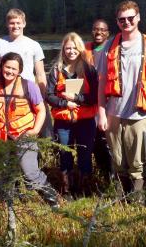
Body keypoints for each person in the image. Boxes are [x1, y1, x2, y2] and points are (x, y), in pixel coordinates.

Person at [98, 0, 146, 198]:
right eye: (121, 19)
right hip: (113, 112)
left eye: (130, 18)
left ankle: (137, 196)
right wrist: (101, 113)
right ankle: (120, 193)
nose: (126, 22)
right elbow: (102, 82)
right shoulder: (109, 45)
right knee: (118, 159)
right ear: (117, 22)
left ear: (138, 17)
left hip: (141, 112)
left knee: (138, 160)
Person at [0, 52, 59, 208]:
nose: (10, 71)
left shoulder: (29, 86)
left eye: (14, 69)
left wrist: (35, 130)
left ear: (19, 70)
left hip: (24, 135)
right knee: (5, 172)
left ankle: (53, 201)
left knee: (30, 172)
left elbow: (41, 110)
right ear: (1, 67)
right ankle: (9, 204)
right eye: (7, 67)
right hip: (2, 138)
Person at [46, 32, 98, 199]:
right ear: (63, 49)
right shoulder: (56, 70)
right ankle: (67, 190)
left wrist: (76, 98)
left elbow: (95, 98)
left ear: (80, 49)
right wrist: (65, 103)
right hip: (63, 122)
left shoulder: (89, 69)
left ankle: (84, 189)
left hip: (85, 121)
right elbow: (49, 96)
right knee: (64, 154)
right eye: (68, 48)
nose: (71, 51)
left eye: (74, 48)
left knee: (85, 154)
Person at [0, 8, 52, 137]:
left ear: (24, 23)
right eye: (12, 23)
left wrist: (42, 97)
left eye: (18, 23)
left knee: (40, 134)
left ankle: (38, 155)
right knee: (1, 132)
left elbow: (40, 74)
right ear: (7, 24)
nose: (15, 26)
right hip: (2, 95)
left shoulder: (34, 45)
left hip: (28, 95)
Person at [84, 19, 114, 183]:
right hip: (88, 103)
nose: (99, 32)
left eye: (103, 30)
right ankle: (102, 172)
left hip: (107, 103)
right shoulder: (84, 50)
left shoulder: (111, 49)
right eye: (96, 29)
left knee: (107, 139)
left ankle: (112, 174)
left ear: (108, 33)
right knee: (93, 139)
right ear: (92, 31)